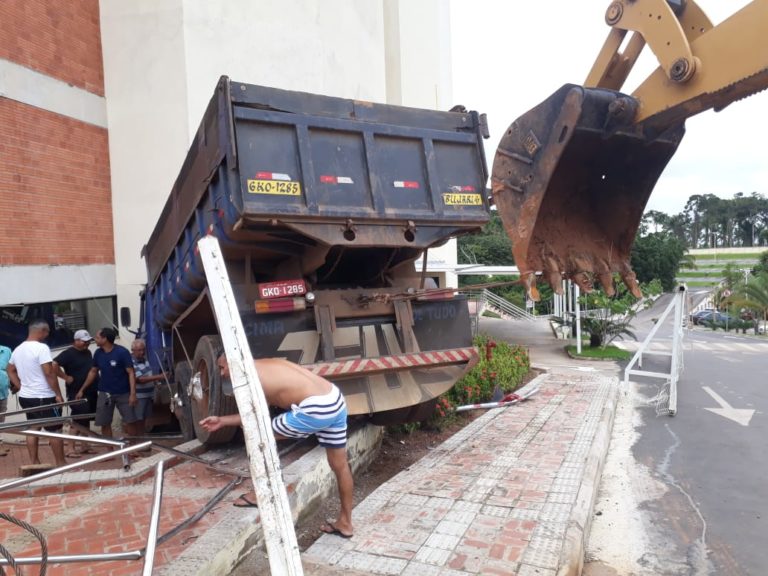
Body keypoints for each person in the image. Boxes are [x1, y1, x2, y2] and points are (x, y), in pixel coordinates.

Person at [200, 356, 354, 538]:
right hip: (334, 399)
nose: (221, 373)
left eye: (222, 367)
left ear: (233, 362)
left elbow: (253, 418)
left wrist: (223, 421)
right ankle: (346, 523)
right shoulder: (266, 365)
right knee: (340, 464)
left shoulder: (250, 378)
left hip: (315, 409)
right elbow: (256, 413)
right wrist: (222, 421)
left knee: (258, 436)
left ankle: (261, 495)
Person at [6, 319, 66, 466]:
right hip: (44, 396)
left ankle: (34, 462)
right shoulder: (42, 348)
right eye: (47, 332)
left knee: (33, 428)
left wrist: (21, 386)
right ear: (42, 331)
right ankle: (61, 463)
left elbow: (9, 370)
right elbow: (49, 373)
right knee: (55, 430)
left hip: (26, 397)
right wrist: (58, 394)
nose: (47, 335)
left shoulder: (18, 349)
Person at [76, 327, 138, 439]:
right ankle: (110, 450)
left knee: (130, 421)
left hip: (124, 393)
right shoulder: (98, 353)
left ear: (105, 339)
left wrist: (133, 394)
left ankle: (134, 447)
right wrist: (82, 389)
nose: (95, 339)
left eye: (97, 337)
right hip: (105, 393)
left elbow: (131, 373)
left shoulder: (122, 352)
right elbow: (93, 371)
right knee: (104, 422)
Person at [53, 330, 99, 457]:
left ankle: (85, 445)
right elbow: (54, 365)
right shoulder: (68, 353)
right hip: (76, 391)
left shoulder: (88, 352)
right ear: (76, 341)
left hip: (90, 390)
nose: (87, 344)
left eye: (88, 341)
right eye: (84, 342)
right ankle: (70, 448)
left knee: (87, 417)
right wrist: (65, 377)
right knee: (78, 419)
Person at [130, 338, 165, 438]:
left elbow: (148, 376)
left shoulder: (144, 360)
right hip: (139, 396)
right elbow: (140, 379)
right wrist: (160, 376)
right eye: (139, 350)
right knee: (138, 418)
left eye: (143, 350)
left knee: (144, 418)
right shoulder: (131, 362)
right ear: (133, 350)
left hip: (148, 394)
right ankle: (137, 440)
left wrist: (156, 382)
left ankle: (141, 438)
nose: (142, 352)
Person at [0, 344, 12, 456]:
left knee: (1, 418)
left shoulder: (6, 350)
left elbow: (11, 369)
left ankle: (1, 443)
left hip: (3, 391)